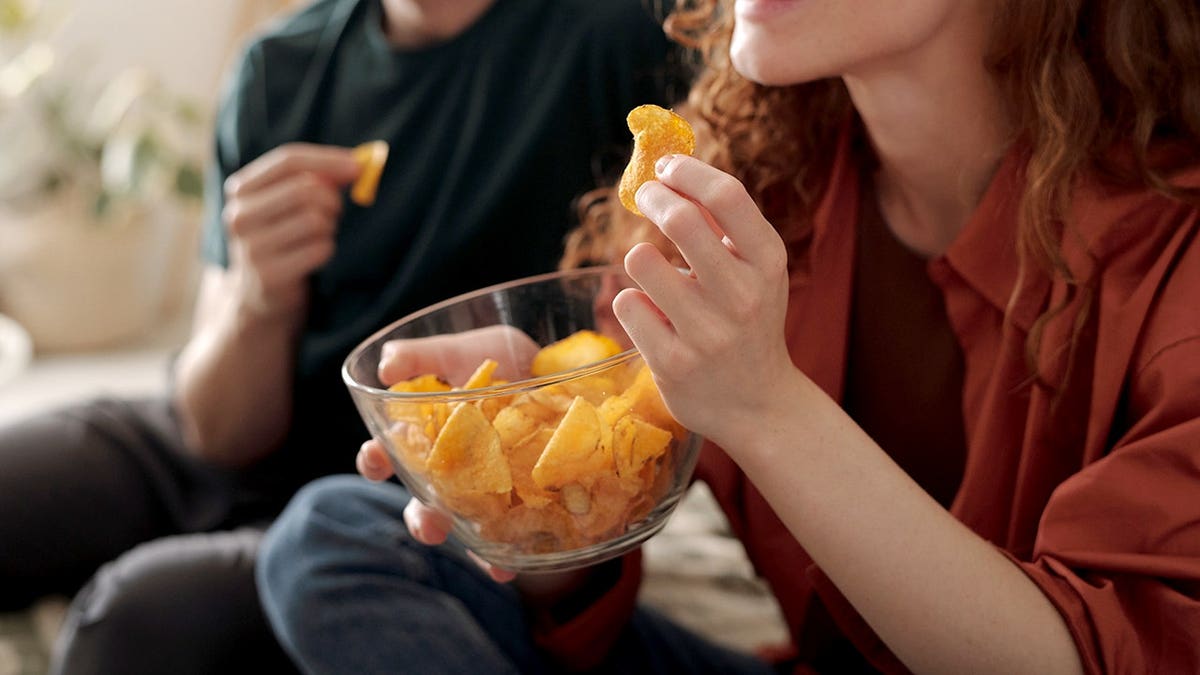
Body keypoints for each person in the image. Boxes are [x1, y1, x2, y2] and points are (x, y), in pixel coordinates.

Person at [257, 0, 1200, 672]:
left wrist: (764, 406)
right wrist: (545, 484)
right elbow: (579, 591)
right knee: (331, 537)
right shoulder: (758, 177)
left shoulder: (1175, 261)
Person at [0, 0, 682, 673]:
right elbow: (213, 430)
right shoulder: (277, 67)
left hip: (392, 493)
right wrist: (258, 299)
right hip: (225, 436)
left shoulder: (618, 42)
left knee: (132, 622)